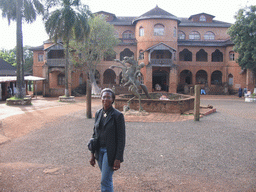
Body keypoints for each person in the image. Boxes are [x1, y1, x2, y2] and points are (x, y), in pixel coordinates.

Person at [89, 88, 126, 192]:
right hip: (99, 151)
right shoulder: (98, 113)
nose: (106, 99)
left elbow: (121, 139)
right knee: (106, 178)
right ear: (101, 98)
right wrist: (92, 154)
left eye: (108, 97)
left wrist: (118, 158)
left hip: (110, 153)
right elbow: (94, 134)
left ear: (113, 99)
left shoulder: (118, 116)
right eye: (104, 96)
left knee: (105, 180)